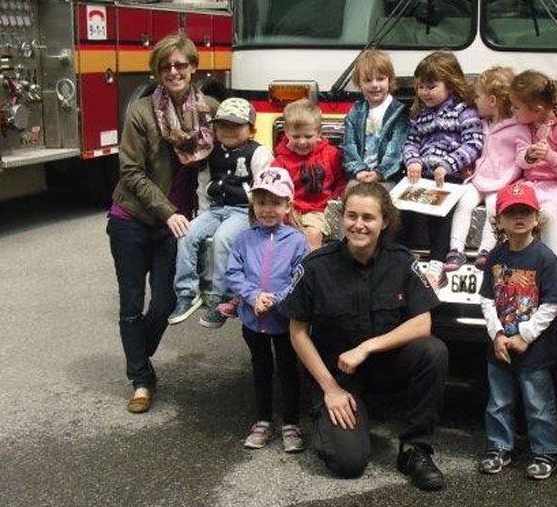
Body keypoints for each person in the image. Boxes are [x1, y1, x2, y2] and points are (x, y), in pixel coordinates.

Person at [287, 182, 449, 491]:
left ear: (385, 221)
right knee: (348, 463)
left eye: (368, 217)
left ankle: (415, 448)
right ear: (342, 218)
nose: (358, 225)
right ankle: (333, 417)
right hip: (338, 375)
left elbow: (422, 323)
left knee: (433, 351)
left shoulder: (401, 261)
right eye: (351, 216)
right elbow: (298, 333)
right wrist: (330, 389)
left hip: (385, 366)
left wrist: (367, 347)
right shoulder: (316, 266)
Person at [107, 33, 216, 413]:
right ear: (157, 71)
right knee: (131, 304)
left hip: (177, 223)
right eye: (165, 66)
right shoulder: (141, 113)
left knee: (167, 302)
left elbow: (236, 145)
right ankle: (140, 380)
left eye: (180, 64)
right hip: (133, 219)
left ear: (193, 68)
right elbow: (131, 172)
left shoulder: (209, 111)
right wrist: (167, 211)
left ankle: (139, 354)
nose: (173, 72)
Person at [477, 183, 557, 480]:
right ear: (498, 220)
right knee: (498, 401)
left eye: (525, 212)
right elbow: (487, 299)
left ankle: (546, 450)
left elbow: (552, 304)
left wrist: (525, 335)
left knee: (538, 402)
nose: (518, 218)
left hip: (534, 348)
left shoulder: (544, 258)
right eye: (511, 212)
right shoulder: (495, 256)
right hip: (500, 346)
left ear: (536, 218)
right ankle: (499, 446)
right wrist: (498, 334)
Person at [168, 97, 273, 329]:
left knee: (223, 238)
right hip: (216, 209)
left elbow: (264, 188)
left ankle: (221, 298)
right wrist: (202, 215)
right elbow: (203, 184)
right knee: (186, 233)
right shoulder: (211, 152)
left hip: (243, 211)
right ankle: (187, 293)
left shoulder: (259, 153)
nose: (228, 130)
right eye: (223, 125)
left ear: (251, 129)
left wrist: (260, 221)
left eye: (236, 126)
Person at [225, 167, 309, 452]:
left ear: (288, 205)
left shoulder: (296, 240)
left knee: (288, 370)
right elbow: (234, 272)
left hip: (283, 322)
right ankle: (262, 420)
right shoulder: (244, 239)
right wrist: (253, 296)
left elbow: (300, 277)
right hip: (252, 320)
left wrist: (276, 299)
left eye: (275, 202)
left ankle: (291, 422)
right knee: (260, 369)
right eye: (261, 202)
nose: (267, 209)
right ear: (253, 205)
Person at [401, 50, 484, 287]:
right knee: (401, 211)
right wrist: (413, 161)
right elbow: (411, 142)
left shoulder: (464, 111)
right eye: (421, 87)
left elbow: (474, 143)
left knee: (441, 213)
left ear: (451, 84)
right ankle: (403, 260)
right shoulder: (419, 113)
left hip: (450, 177)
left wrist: (448, 164)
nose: (424, 92)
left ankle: (436, 264)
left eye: (431, 86)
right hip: (421, 176)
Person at [452, 66, 531, 271]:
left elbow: (523, 157)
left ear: (493, 101)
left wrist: (528, 157)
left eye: (478, 97)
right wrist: (467, 166)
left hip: (503, 181)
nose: (475, 101)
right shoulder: (482, 124)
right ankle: (456, 249)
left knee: (494, 209)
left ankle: (486, 250)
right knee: (463, 203)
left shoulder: (519, 128)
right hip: (478, 178)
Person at [509, 70, 557, 255]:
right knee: (511, 208)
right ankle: (516, 256)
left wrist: (549, 155)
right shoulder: (526, 125)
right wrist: (529, 156)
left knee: (547, 212)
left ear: (537, 110)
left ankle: (550, 260)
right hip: (531, 184)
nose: (512, 110)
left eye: (516, 107)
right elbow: (520, 159)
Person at [271, 98, 347, 250]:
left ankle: (311, 264)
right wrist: (286, 211)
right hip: (290, 211)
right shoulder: (280, 162)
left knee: (312, 234)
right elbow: (275, 192)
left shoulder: (331, 155)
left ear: (318, 132)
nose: (302, 142)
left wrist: (333, 203)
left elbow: (342, 181)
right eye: (296, 136)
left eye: (308, 136)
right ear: (286, 133)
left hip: (320, 210)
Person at [341, 49, 409, 186]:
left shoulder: (399, 112)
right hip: (360, 175)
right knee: (351, 189)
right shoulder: (355, 111)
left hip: (388, 177)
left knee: (381, 195)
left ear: (390, 80)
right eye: (367, 80)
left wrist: (379, 173)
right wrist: (359, 170)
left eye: (380, 79)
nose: (374, 85)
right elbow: (349, 145)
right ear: (359, 84)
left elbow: (396, 150)